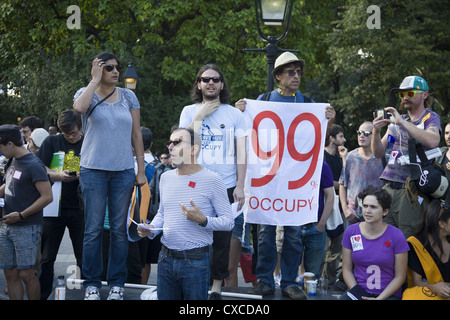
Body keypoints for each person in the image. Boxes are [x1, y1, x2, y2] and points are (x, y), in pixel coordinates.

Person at [235, 51, 336, 299]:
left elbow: (317, 135)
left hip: (295, 179)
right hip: (269, 178)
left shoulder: (308, 102)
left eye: (299, 72)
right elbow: (247, 131)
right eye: (290, 72)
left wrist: (330, 121)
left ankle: (289, 281)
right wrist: (241, 111)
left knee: (292, 235)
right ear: (278, 76)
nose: (296, 76)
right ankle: (266, 281)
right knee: (266, 234)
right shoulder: (264, 99)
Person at [73, 52, 146, 300]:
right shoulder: (86, 92)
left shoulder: (129, 96)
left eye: (117, 67)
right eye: (109, 68)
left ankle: (117, 283)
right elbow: (79, 109)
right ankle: (91, 284)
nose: (116, 71)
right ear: (97, 70)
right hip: (93, 170)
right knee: (93, 229)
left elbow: (136, 134)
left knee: (118, 229)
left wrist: (141, 169)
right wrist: (94, 81)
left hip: (123, 171)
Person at [138, 127, 234, 300]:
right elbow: (162, 213)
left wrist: (204, 220)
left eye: (177, 142)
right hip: (165, 258)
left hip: (195, 262)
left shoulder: (213, 179)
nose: (170, 147)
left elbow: (228, 221)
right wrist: (151, 229)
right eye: (169, 142)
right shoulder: (165, 178)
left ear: (194, 149)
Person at [179, 63, 247, 299]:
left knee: (221, 238)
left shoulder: (234, 114)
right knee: (193, 236)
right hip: (195, 182)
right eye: (205, 79)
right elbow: (181, 144)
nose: (210, 83)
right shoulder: (189, 111)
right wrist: (200, 115)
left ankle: (216, 284)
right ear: (198, 84)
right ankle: (195, 282)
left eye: (215, 79)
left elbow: (242, 152)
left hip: (225, 184)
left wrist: (240, 185)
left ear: (221, 84)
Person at [372, 75, 441, 239]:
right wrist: (376, 131)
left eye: (409, 94)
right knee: (383, 237)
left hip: (410, 188)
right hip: (388, 186)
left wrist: (402, 123)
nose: (404, 97)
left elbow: (433, 141)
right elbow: (378, 152)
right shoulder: (399, 120)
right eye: (401, 94)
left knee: (407, 239)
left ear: (424, 95)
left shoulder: (429, 118)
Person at [0, 124, 53, 300]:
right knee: (10, 273)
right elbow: (9, 184)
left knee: (27, 274)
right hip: (6, 224)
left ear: (9, 144)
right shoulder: (12, 160)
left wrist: (22, 214)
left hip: (26, 226)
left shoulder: (33, 164)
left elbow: (47, 197)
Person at [36, 110, 84, 299]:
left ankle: (87, 293)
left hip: (80, 207)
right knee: (47, 257)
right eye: (67, 134)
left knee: (83, 256)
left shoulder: (88, 141)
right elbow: (39, 167)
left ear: (80, 128)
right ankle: (41, 294)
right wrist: (58, 176)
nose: (71, 137)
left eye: (74, 133)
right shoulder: (52, 142)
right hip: (53, 206)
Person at [340, 185, 409, 300]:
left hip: (388, 295)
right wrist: (358, 293)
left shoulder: (397, 236)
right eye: (365, 205)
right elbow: (346, 270)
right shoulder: (351, 232)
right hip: (358, 292)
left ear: (385, 211)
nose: (367, 210)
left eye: (373, 207)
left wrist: (379, 299)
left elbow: (400, 276)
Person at [403, 198, 450, 300]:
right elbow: (417, 283)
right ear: (442, 224)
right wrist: (434, 287)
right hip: (431, 295)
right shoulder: (416, 244)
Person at [339, 121, 384, 224]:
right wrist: (345, 209)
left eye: (366, 133)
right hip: (354, 215)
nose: (361, 136)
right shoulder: (351, 157)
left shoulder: (383, 157)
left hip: (377, 213)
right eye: (359, 133)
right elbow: (342, 183)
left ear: (375, 135)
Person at [321, 124, 346, 288]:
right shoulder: (320, 156)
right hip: (322, 204)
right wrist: (336, 184)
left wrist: (344, 159)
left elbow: (346, 180)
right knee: (321, 245)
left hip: (338, 206)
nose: (344, 140)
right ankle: (315, 278)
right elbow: (336, 183)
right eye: (341, 136)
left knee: (337, 245)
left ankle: (329, 279)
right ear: (331, 138)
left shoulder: (339, 158)